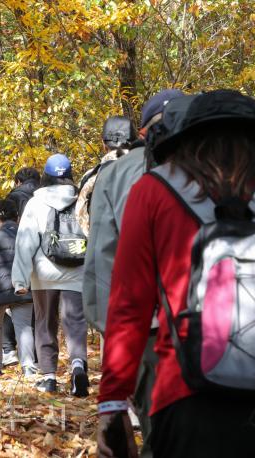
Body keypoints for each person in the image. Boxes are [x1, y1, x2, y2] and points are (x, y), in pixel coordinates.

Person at [97, 90, 255, 458]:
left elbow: (130, 306)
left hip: (192, 400)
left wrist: (112, 402)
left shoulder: (154, 192)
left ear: (187, 138)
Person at [84, 89, 184, 457]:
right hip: (231, 326)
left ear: (145, 132)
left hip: (150, 329)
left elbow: (101, 262)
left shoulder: (111, 175)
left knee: (161, 430)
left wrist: (113, 346)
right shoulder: (236, 168)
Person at [12, 154, 89, 397]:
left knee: (45, 323)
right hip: (76, 271)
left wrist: (20, 280)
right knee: (75, 323)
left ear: (45, 175)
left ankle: (49, 377)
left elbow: (25, 242)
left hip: (43, 274)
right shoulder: (81, 200)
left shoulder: (36, 203)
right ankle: (78, 367)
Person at [0, 199, 37, 377]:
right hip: (24, 287)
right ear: (17, 217)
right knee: (24, 326)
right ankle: (28, 367)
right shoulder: (27, 234)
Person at [3, 167, 41, 366]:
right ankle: (36, 354)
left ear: (18, 181)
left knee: (14, 300)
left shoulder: (14, 196)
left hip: (18, 254)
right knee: (41, 305)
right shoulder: (45, 193)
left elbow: (6, 225)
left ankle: (9, 349)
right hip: (45, 256)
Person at [75, 115, 137, 236]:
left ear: (104, 144)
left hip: (105, 249)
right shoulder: (150, 168)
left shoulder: (90, 177)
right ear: (135, 140)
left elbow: (81, 220)